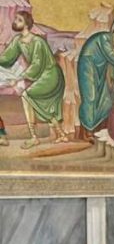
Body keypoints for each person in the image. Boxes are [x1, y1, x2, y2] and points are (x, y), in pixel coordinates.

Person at [0, 11, 68, 146]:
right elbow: (7, 58)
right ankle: (61, 134)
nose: (15, 22)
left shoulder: (37, 41)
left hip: (51, 75)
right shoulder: (18, 41)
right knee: (40, 104)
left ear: (26, 25)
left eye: (19, 20)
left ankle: (34, 137)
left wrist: (18, 78)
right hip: (42, 76)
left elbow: (37, 65)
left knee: (26, 95)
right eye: (16, 19)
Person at [77, 18, 114, 136]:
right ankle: (87, 130)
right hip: (88, 63)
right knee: (90, 96)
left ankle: (98, 128)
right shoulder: (105, 38)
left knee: (105, 98)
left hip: (101, 68)